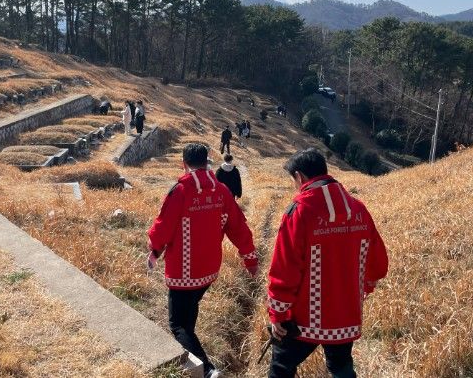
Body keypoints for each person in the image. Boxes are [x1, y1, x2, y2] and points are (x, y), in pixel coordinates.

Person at [266, 148, 388, 378]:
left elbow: (285, 269)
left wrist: (277, 313)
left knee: (281, 368)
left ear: (299, 176)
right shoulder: (359, 209)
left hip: (304, 318)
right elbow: (378, 263)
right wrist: (366, 286)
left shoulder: (300, 211)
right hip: (347, 315)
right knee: (341, 368)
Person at [147, 143, 258, 378]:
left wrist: (154, 250)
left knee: (177, 324)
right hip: (209, 269)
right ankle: (193, 355)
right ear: (206, 162)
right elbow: (238, 227)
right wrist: (250, 258)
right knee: (189, 312)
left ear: (184, 164)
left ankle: (207, 370)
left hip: (184, 271)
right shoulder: (222, 191)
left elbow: (162, 228)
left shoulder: (180, 191)